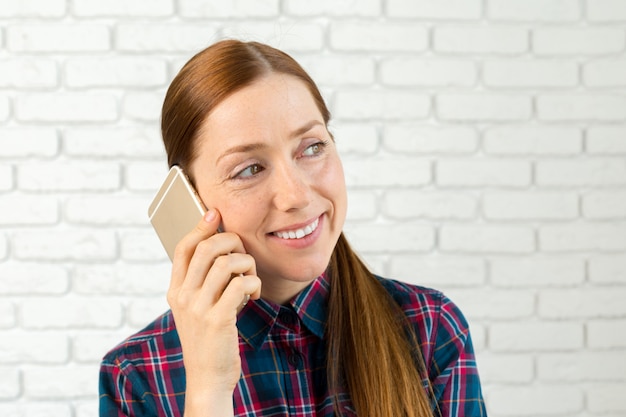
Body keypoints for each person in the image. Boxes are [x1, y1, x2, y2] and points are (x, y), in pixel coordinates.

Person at [99, 39, 486, 417]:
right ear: (192, 199)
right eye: (249, 169)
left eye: (312, 148)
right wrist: (207, 386)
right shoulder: (134, 377)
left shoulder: (432, 329)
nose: (296, 195)